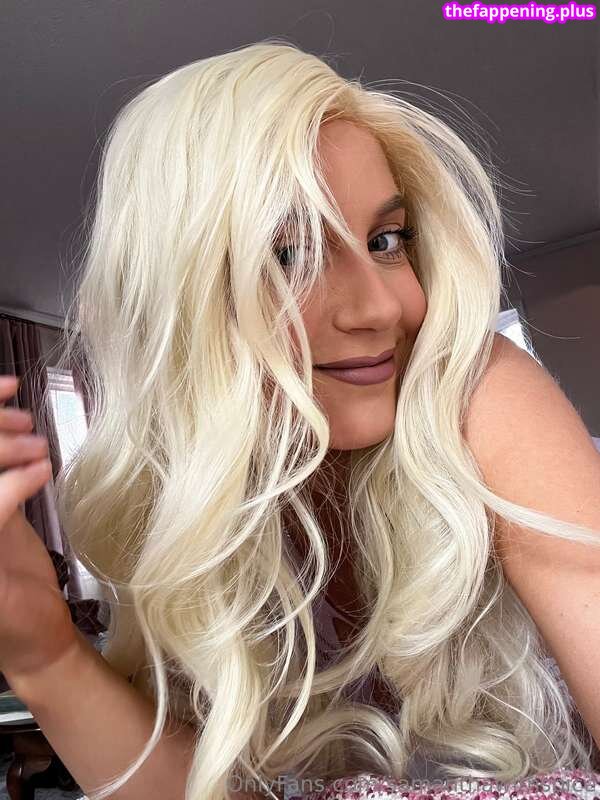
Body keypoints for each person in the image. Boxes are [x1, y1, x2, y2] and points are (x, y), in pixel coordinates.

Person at [1, 38, 600, 800]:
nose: (381, 308)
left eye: (386, 241)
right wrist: (43, 652)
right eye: (289, 255)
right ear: (182, 304)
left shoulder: (472, 390)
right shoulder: (191, 513)